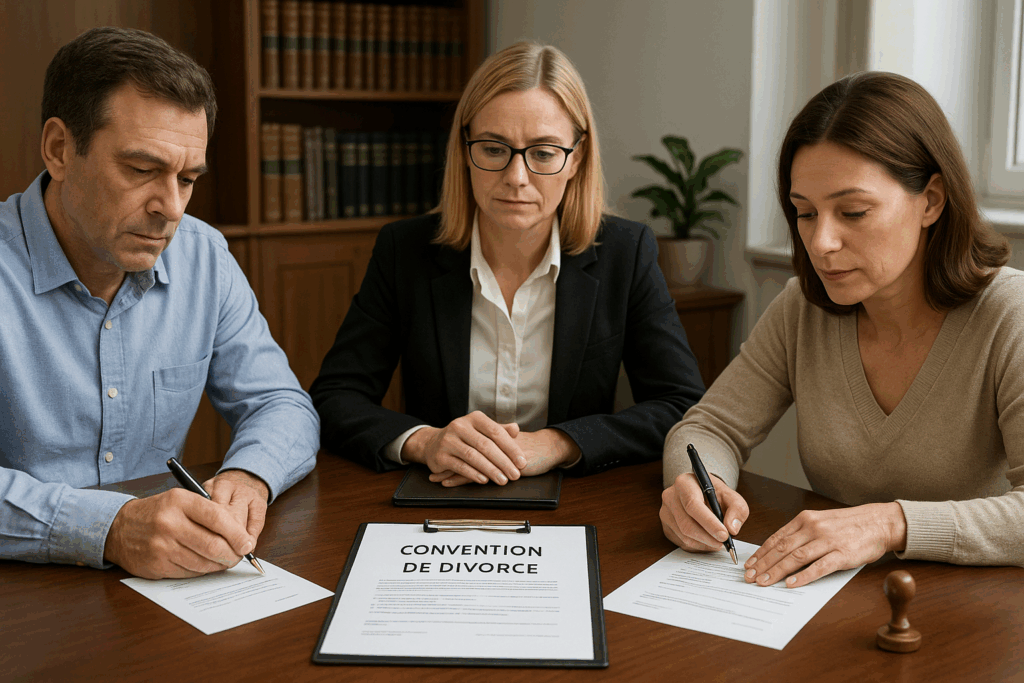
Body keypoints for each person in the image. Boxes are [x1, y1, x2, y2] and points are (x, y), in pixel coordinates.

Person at [661, 71, 1024, 588]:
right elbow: (708, 428)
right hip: (833, 601)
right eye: (804, 213)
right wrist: (699, 485)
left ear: (932, 201)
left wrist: (890, 523)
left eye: (853, 211)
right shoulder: (802, 310)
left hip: (970, 611)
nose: (821, 242)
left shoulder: (1010, 315)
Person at [0, 28, 319, 579]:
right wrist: (113, 526)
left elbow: (281, 404)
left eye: (188, 178)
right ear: (59, 150)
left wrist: (249, 475)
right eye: (142, 170)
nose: (171, 209)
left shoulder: (203, 256)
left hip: (165, 586)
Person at [311, 42, 704, 486]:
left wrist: (559, 443)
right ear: (464, 149)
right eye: (494, 149)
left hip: (576, 502)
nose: (516, 177)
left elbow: (680, 404)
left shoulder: (624, 253)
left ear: (575, 158)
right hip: (435, 496)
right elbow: (334, 397)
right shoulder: (405, 250)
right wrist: (426, 441)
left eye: (543, 152)